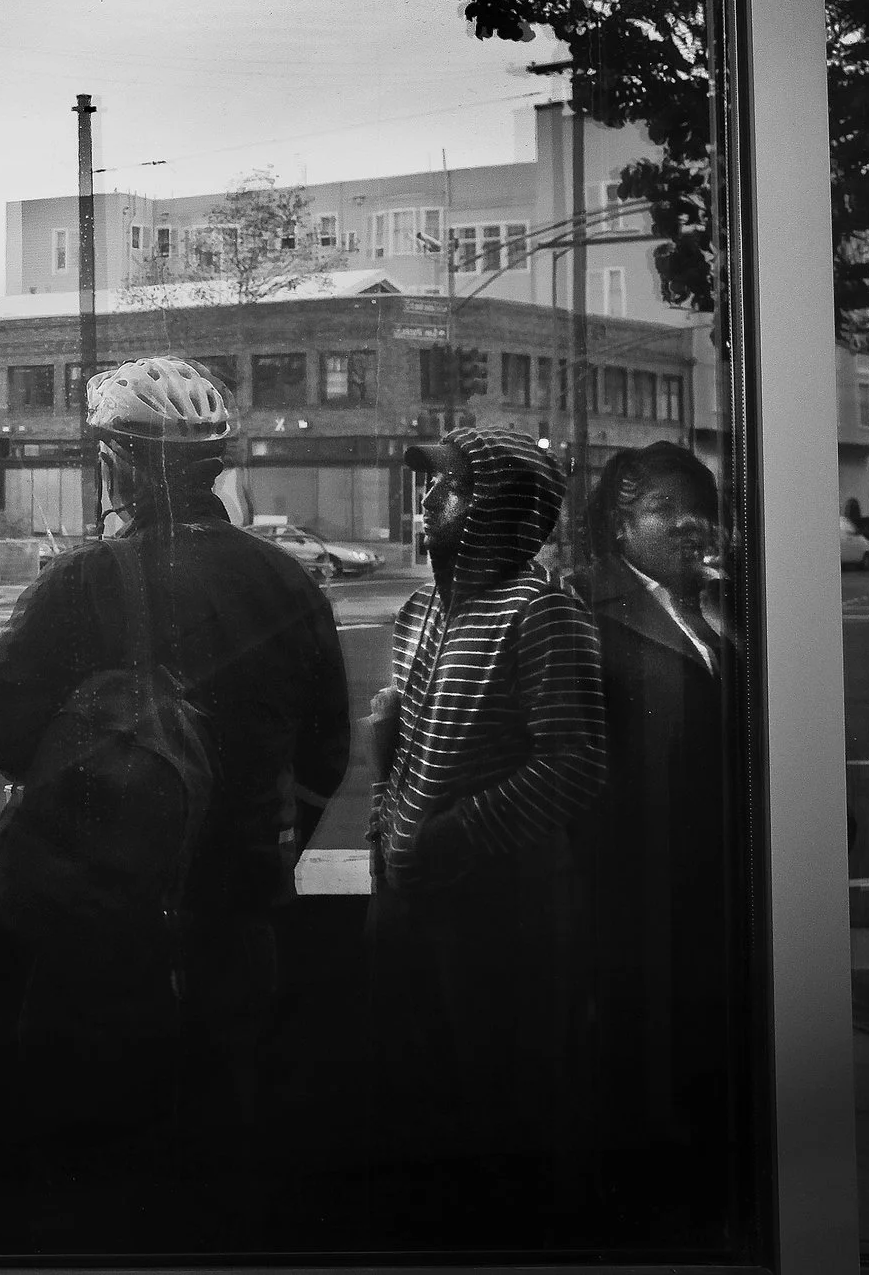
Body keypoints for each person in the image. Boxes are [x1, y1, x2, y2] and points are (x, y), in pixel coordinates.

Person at [0, 356, 351, 1124]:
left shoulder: (83, 583)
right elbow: (327, 754)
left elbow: (0, 734)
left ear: (118, 464)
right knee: (219, 1154)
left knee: (85, 1154)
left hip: (100, 935)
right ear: (213, 468)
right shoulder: (290, 584)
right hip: (240, 931)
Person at [365, 426, 604, 1223]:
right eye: (429, 484)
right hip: (408, 899)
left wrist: (453, 836)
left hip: (499, 911)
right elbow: (402, 758)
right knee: (415, 1088)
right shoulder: (420, 608)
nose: (428, 499)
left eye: (452, 486)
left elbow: (573, 763)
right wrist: (383, 844)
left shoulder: (541, 613)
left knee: (501, 1103)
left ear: (502, 508)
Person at [572, 443, 741, 1214]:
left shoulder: (720, 600)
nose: (690, 525)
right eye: (665, 509)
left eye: (699, 507)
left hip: (716, 874)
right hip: (633, 878)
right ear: (618, 523)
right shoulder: (580, 605)